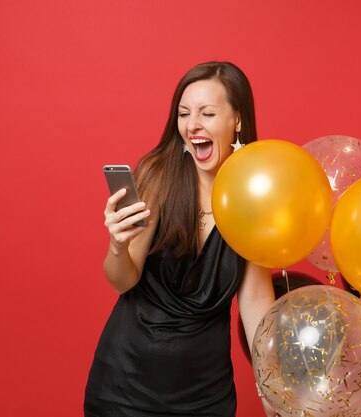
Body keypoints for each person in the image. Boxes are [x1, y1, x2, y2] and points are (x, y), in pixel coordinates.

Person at [84, 62, 279, 417]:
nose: (193, 126)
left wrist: (278, 402)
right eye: (184, 113)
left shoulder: (254, 199)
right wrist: (117, 245)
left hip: (205, 396)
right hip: (124, 388)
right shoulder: (158, 175)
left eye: (207, 113)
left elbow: (257, 311)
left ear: (237, 120)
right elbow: (122, 280)